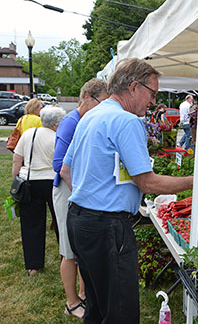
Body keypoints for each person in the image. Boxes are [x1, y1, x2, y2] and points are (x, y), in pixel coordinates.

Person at [60, 58, 198, 323]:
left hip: (79, 220)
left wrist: (91, 198)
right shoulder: (127, 121)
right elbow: (148, 183)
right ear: (134, 87)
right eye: (152, 93)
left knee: (97, 306)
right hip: (107, 227)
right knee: (120, 311)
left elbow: (66, 170)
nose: (153, 102)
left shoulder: (89, 117)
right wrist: (196, 181)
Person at [52, 78, 109, 319]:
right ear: (87, 97)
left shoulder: (87, 120)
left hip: (79, 191)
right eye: (100, 102)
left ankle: (85, 294)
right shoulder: (70, 122)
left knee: (82, 249)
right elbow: (59, 164)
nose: (102, 108)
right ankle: (72, 301)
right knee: (69, 251)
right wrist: (79, 193)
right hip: (68, 191)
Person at [11, 106, 66, 276]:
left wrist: (15, 180)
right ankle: (66, 255)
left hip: (30, 181)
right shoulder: (59, 137)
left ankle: (33, 265)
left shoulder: (29, 134)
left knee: (31, 223)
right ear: (57, 123)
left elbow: (17, 159)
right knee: (60, 220)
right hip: (53, 181)